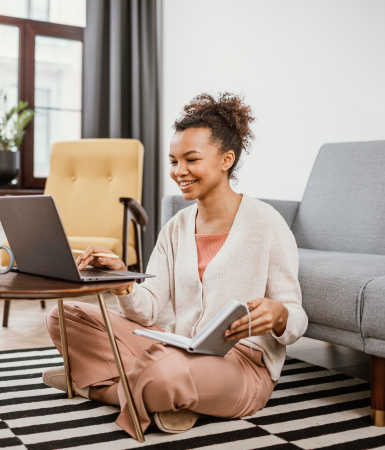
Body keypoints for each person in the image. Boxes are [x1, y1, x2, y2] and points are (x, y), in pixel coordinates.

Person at [42, 92, 308, 438]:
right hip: (175, 346)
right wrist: (122, 281)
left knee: (165, 373)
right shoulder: (177, 226)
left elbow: (297, 318)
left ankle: (97, 386)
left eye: (191, 160)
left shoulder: (267, 224)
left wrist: (279, 315)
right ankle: (156, 396)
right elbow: (147, 310)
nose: (178, 172)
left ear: (226, 159)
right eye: (173, 161)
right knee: (63, 317)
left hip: (241, 366)